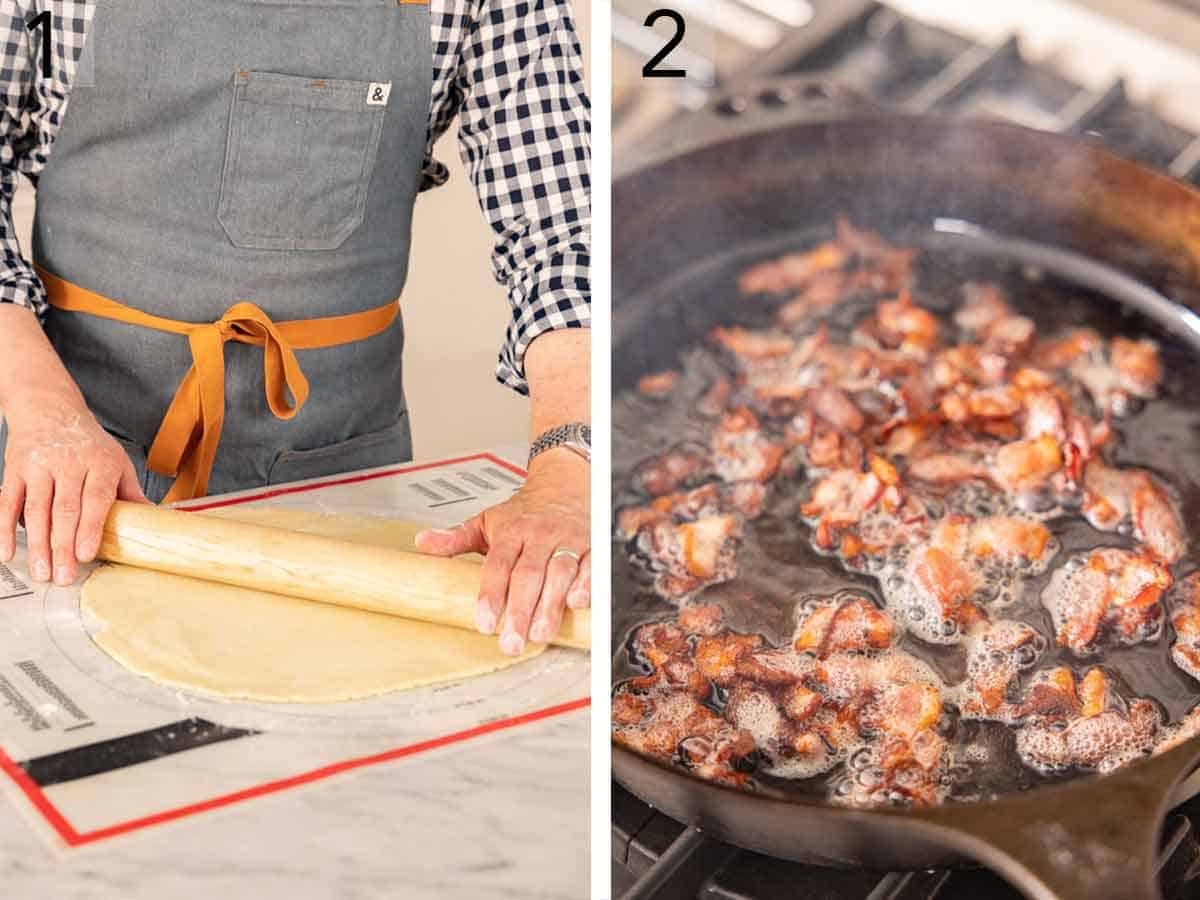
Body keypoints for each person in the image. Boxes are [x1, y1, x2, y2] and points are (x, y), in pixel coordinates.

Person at [0, 0, 591, 655]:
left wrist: (569, 468)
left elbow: (565, 228)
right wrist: (45, 413)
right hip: (65, 464)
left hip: (337, 469)